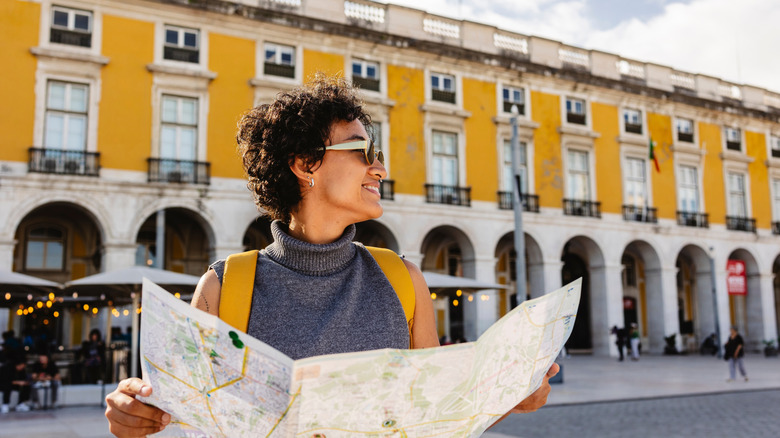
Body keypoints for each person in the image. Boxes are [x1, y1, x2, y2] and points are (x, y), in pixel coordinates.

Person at [104, 75, 559, 437]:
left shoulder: (403, 279)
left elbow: (437, 416)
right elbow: (185, 416)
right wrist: (137, 416)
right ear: (306, 165)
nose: (379, 167)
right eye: (362, 151)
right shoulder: (225, 286)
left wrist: (511, 396)